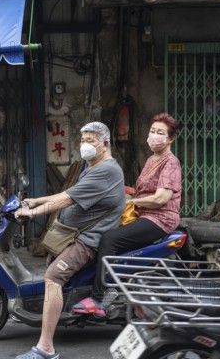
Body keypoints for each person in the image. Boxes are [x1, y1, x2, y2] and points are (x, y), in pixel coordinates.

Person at [14, 121, 125, 359]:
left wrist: (33, 212)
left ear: (104, 144)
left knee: (53, 277)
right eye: (82, 140)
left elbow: (67, 201)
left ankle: (45, 348)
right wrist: (36, 200)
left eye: (89, 140)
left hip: (88, 240)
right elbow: (68, 193)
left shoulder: (107, 170)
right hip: (75, 235)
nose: (84, 145)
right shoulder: (91, 166)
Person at [72, 113, 182, 316]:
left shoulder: (170, 163)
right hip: (142, 214)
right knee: (101, 231)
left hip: (159, 219)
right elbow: (143, 191)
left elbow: (160, 199)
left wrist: (130, 201)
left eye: (160, 133)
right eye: (152, 131)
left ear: (170, 139)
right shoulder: (152, 159)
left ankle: (98, 298)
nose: (154, 136)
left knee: (109, 240)